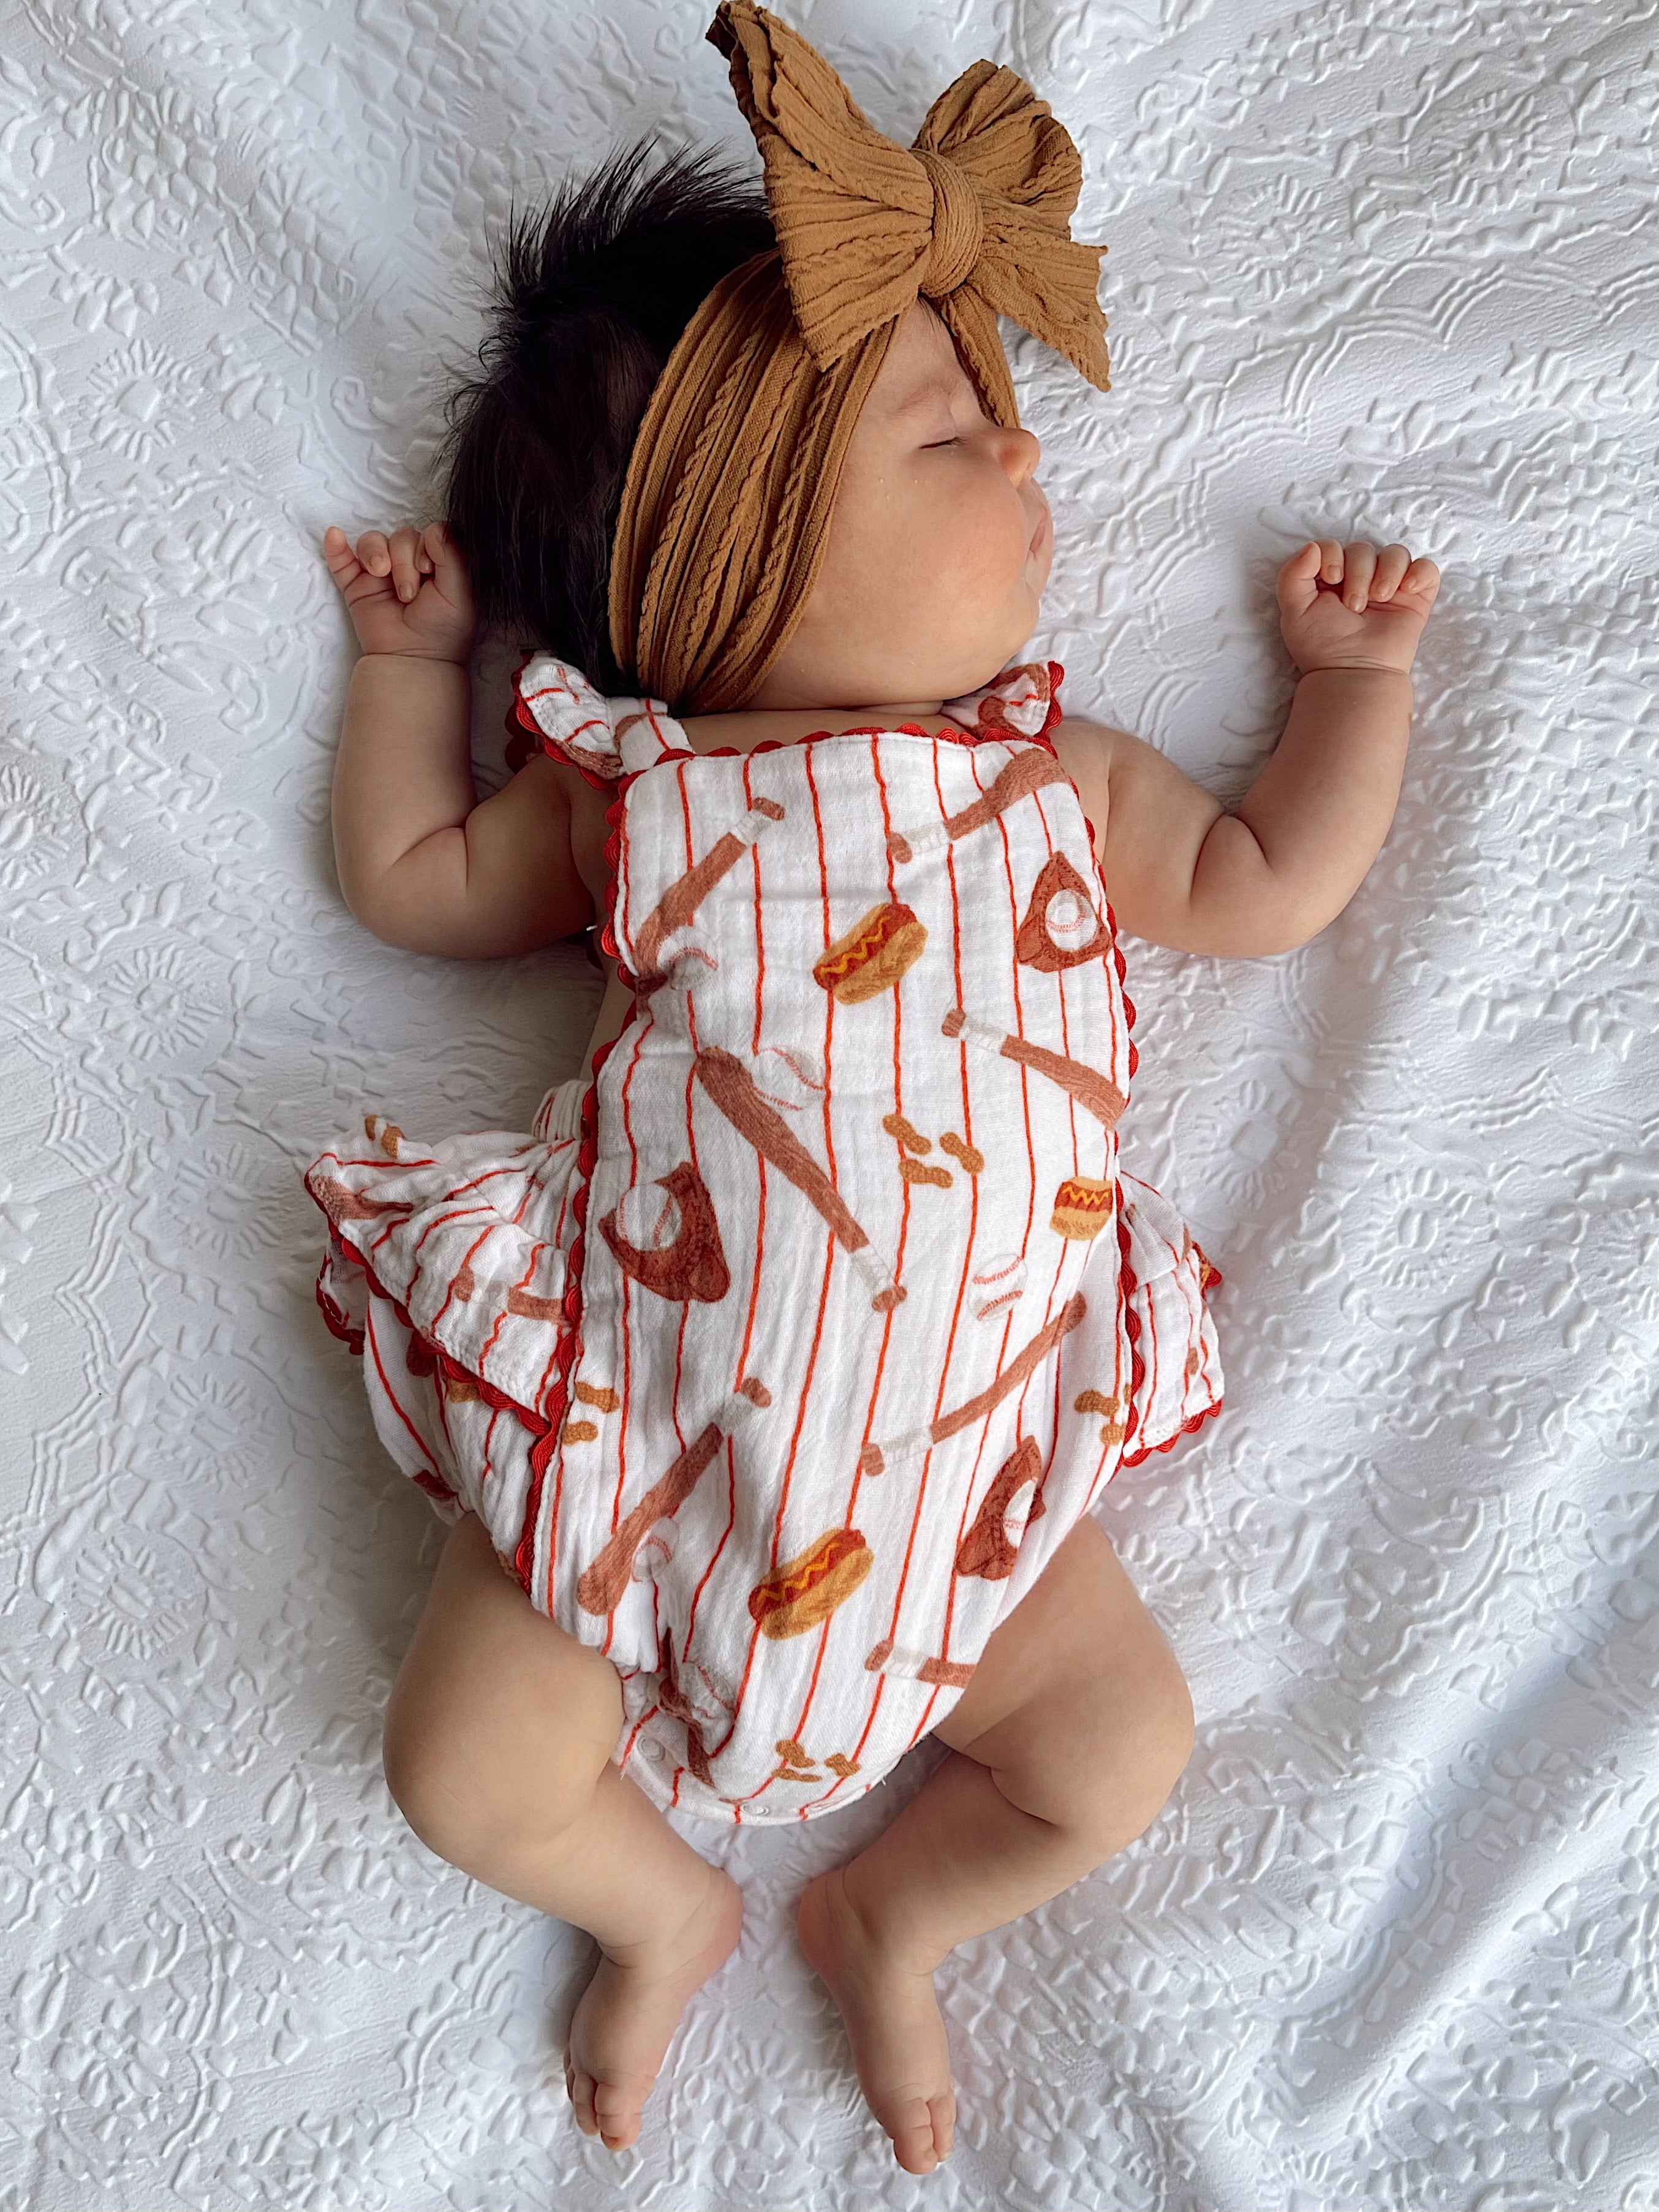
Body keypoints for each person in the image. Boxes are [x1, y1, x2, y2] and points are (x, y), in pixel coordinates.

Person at [304, 2, 1440, 2177]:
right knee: (460, 1770)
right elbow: (415, 879)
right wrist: (404, 670)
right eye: (948, 436)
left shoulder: (1046, 777)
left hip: (977, 1493)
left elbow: (1266, 882)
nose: (1023, 461)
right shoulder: (640, 796)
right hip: (638, 1465)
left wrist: (1352, 689)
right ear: (727, 568)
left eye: (996, 417)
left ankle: (892, 1914)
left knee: (1118, 1751)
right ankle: (656, 1908)